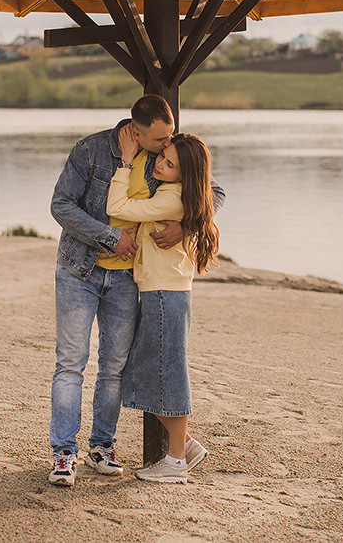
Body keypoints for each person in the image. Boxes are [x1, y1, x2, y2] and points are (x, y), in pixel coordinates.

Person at [48, 94, 184, 487]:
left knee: (114, 368)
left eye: (170, 135)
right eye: (161, 138)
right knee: (71, 362)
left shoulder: (168, 158)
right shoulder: (90, 150)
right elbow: (61, 205)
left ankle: (101, 446)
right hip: (79, 271)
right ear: (136, 132)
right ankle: (63, 454)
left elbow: (215, 193)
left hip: (127, 279)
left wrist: (186, 226)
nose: (167, 144)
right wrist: (110, 238)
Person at [106, 129, 219, 484]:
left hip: (164, 294)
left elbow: (116, 207)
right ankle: (184, 445)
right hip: (160, 291)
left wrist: (125, 162)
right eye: (162, 155)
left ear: (185, 174)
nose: (160, 163)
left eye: (169, 164)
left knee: (168, 372)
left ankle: (175, 461)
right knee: (144, 373)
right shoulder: (176, 193)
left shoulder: (172, 199)